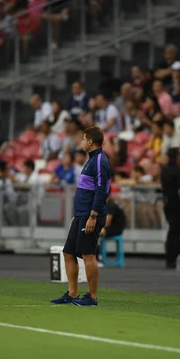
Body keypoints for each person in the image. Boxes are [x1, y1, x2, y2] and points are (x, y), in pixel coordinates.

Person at [51, 127, 110, 306]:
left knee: (88, 254)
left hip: (91, 214)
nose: (81, 142)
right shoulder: (91, 160)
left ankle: (92, 297)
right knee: (68, 252)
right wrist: (78, 216)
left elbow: (102, 190)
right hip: (82, 215)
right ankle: (72, 293)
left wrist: (93, 215)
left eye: (84, 139)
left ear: (91, 142)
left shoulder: (100, 159)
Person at [160, 148, 180, 269]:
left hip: (167, 204)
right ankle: (173, 258)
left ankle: (174, 257)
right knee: (175, 232)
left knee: (173, 231)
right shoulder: (178, 172)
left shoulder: (165, 171)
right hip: (177, 205)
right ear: (177, 156)